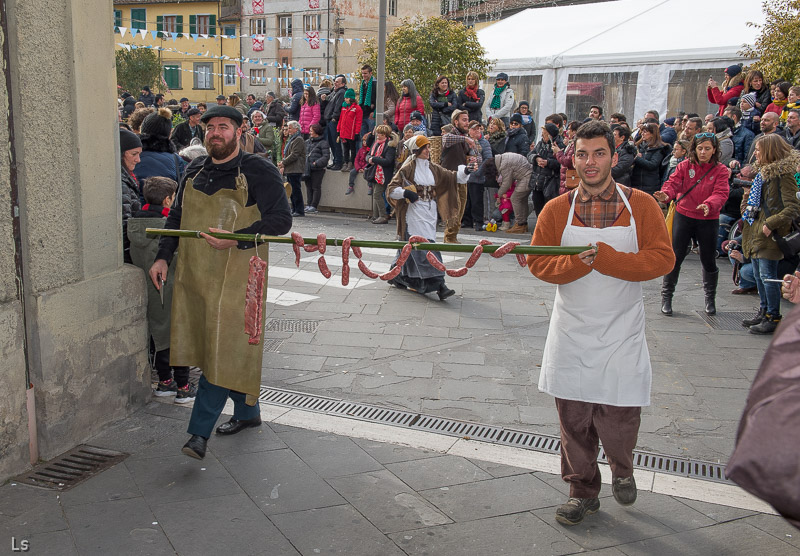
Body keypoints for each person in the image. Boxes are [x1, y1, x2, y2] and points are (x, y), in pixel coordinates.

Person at [527, 120, 674, 527]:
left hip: (622, 329)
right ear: (572, 158)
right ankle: (581, 491)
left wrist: (608, 259)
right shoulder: (558, 209)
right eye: (581, 154)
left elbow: (663, 259)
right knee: (573, 418)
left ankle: (622, 468)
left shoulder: (641, 204)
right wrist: (576, 263)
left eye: (598, 153)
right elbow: (539, 263)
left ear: (614, 155)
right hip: (571, 329)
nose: (590, 163)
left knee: (620, 414)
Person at [148, 105, 292, 460]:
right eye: (210, 127)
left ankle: (198, 434)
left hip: (240, 276)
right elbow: (178, 216)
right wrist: (164, 255)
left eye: (223, 126)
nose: (215, 132)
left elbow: (281, 220)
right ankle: (247, 413)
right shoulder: (194, 169)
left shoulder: (259, 169)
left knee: (222, 348)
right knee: (209, 344)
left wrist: (237, 238)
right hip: (196, 275)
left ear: (240, 130)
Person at [128, 176, 196, 403]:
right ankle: (184, 387)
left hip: (149, 291)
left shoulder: (134, 225)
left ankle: (165, 382)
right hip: (171, 288)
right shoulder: (168, 228)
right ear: (168, 200)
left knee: (159, 337)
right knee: (177, 336)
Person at [655, 133, 731, 316]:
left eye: (707, 148)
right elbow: (673, 183)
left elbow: (721, 192)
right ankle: (666, 297)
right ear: (694, 149)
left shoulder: (720, 170)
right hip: (685, 214)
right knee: (676, 257)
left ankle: (710, 299)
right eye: (700, 148)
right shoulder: (684, 166)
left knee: (708, 260)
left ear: (714, 150)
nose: (703, 152)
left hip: (708, 218)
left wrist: (709, 204)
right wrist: (666, 194)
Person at [386, 135, 470, 300]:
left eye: (428, 147)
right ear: (416, 150)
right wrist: (406, 192)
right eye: (424, 148)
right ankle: (440, 284)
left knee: (410, 248)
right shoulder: (408, 168)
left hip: (430, 212)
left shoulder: (433, 168)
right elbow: (391, 189)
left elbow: (451, 177)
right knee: (424, 247)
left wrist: (465, 171)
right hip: (413, 213)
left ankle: (398, 274)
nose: (427, 151)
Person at [739, 135, 800, 334]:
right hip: (755, 231)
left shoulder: (784, 175)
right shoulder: (762, 174)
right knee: (758, 275)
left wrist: (771, 223)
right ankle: (763, 311)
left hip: (770, 234)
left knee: (767, 276)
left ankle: (773, 316)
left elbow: (792, 207)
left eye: (759, 149)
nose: (755, 153)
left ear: (770, 150)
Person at [440, 109, 479, 243]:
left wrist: (474, 159)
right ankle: (449, 237)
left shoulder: (465, 137)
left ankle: (453, 236)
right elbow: (446, 140)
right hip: (450, 177)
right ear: (455, 122)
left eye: (467, 119)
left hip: (462, 177)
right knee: (454, 208)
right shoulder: (451, 135)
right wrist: (466, 139)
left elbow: (473, 156)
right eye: (464, 120)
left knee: (461, 209)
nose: (467, 122)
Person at [134, 108, 187, 195]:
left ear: (142, 130)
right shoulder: (176, 160)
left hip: (133, 206)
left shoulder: (131, 155)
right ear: (169, 134)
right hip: (164, 207)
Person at [522, 122, 563, 233]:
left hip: (550, 180)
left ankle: (548, 229)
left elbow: (561, 162)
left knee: (548, 205)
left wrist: (548, 162)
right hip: (537, 179)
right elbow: (530, 154)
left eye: (545, 134)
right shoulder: (540, 144)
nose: (542, 137)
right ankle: (541, 227)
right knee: (537, 203)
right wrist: (536, 158)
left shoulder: (559, 144)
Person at [364, 125, 398, 224]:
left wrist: (374, 159)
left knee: (377, 194)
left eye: (381, 134)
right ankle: (376, 215)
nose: (378, 136)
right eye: (378, 133)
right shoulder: (376, 144)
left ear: (386, 135)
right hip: (375, 172)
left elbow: (388, 161)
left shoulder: (390, 145)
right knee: (375, 194)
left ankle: (383, 215)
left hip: (383, 174)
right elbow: (368, 155)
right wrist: (370, 159)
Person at [120, 129, 143, 264]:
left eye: (139, 154)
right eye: (134, 154)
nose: (138, 160)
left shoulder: (126, 177)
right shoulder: (121, 182)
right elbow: (125, 223)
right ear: (121, 154)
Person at [631, 122, 671, 194]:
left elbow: (652, 165)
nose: (642, 134)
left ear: (652, 134)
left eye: (645, 132)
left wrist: (637, 158)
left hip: (650, 185)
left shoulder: (659, 149)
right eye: (642, 132)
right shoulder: (638, 146)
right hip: (636, 183)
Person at [279, 121, 306, 217]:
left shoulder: (298, 140)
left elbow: (294, 154)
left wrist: (283, 162)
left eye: (290, 128)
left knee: (296, 190)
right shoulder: (292, 139)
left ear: (296, 129)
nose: (288, 130)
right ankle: (294, 209)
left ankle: (299, 210)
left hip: (295, 169)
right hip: (290, 169)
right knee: (292, 191)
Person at [302, 123, 330, 214]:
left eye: (311, 131)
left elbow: (326, 156)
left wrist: (316, 163)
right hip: (307, 168)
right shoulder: (307, 142)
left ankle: (314, 205)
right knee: (308, 187)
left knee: (316, 187)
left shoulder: (323, 143)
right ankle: (309, 204)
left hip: (317, 169)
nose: (310, 132)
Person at [324, 76, 347, 170]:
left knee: (335, 142)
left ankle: (338, 162)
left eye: (337, 82)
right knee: (331, 142)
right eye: (335, 81)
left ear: (343, 84)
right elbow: (329, 99)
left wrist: (334, 117)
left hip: (334, 120)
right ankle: (335, 161)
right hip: (329, 119)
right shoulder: (335, 91)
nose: (335, 83)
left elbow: (338, 106)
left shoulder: (341, 92)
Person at [337, 88, 362, 172]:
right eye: (345, 98)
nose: (345, 99)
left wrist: (357, 132)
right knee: (345, 149)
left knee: (352, 148)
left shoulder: (357, 108)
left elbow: (358, 121)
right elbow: (341, 119)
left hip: (351, 132)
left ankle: (351, 162)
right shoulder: (344, 108)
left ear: (351, 98)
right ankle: (346, 162)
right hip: (344, 132)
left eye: (347, 98)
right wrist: (338, 129)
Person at [358, 64, 378, 137]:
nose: (364, 75)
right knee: (363, 137)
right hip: (363, 113)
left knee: (371, 136)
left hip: (371, 114)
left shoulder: (375, 84)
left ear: (370, 73)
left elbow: (378, 100)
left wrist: (374, 112)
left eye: (365, 73)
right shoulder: (362, 85)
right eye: (362, 73)